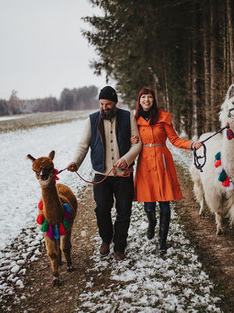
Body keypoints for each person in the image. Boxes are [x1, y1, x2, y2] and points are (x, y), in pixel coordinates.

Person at [67, 86, 141, 261]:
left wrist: (126, 159)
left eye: (108, 104)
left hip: (124, 175)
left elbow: (137, 144)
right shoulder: (91, 120)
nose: (104, 107)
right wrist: (75, 162)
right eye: (101, 104)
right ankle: (106, 240)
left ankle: (120, 245)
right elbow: (83, 145)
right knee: (102, 210)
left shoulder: (127, 117)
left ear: (115, 103)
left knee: (124, 211)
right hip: (101, 175)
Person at [133, 87, 202, 256]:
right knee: (148, 206)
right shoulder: (134, 120)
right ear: (139, 100)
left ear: (153, 99)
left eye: (149, 97)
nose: (146, 100)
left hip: (162, 162)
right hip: (145, 165)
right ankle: (152, 222)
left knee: (165, 204)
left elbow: (175, 140)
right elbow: (131, 143)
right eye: (143, 97)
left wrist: (191, 145)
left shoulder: (163, 117)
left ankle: (162, 242)